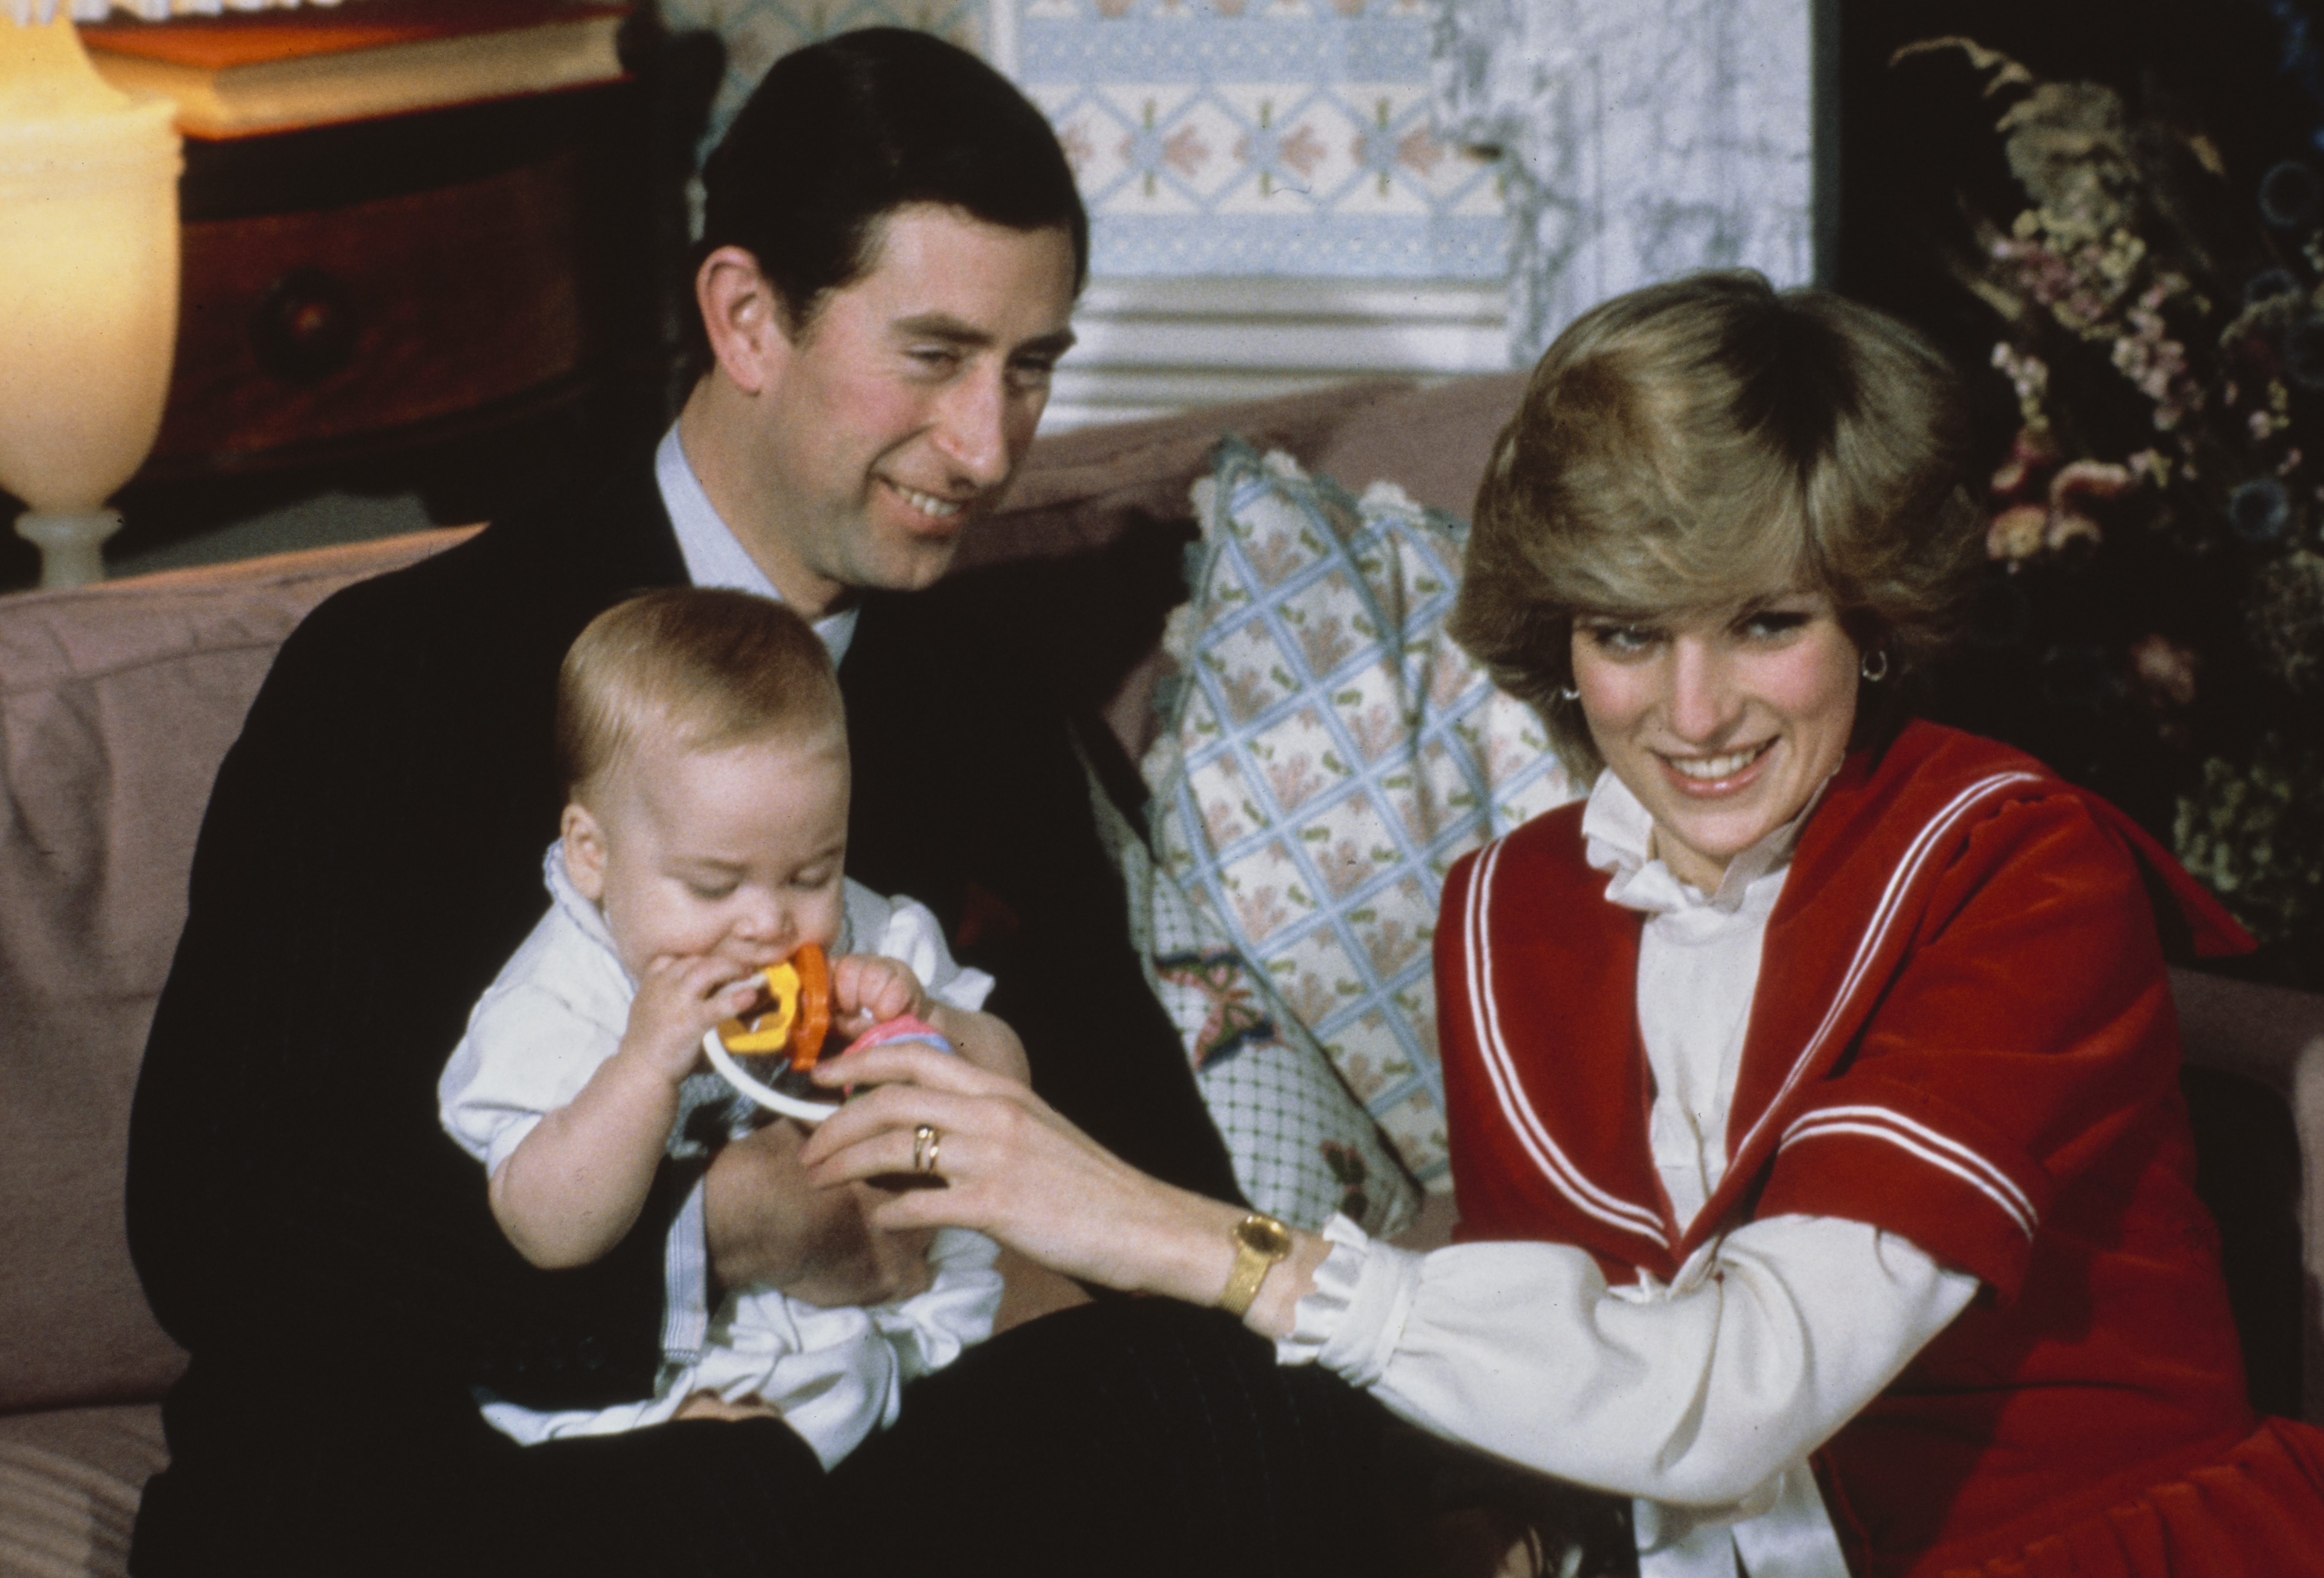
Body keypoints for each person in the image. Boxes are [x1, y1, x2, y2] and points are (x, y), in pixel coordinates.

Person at [799, 271, 2324, 1577]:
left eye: (1768, 623)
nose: (1695, 711)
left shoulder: (2013, 867)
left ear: (1870, 616)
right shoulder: (1506, 912)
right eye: (1628, 633)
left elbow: (1737, 1397)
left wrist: (1155, 1229)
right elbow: (1555, 1374)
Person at [125, 28, 1255, 1577]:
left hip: (864, 1431)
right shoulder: (404, 673)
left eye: (1032, 367)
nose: (988, 448)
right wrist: (720, 1224)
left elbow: (1160, 1177)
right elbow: (225, 1241)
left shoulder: (980, 714)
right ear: (744, 317)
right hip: (447, 1463)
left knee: (1244, 1402)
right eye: (933, 358)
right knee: (720, 1513)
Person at [439, 588, 1023, 1465]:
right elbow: (548, 1230)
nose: (768, 924)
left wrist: (927, 1023)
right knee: (728, 1479)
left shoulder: (866, 934)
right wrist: (641, 1069)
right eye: (715, 887)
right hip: (687, 1377)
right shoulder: (555, 1000)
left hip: (893, 1331)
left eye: (811, 873)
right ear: (593, 854)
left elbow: (1008, 1078)